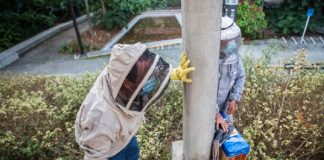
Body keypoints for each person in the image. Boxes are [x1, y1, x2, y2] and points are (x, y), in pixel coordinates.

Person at [74, 43, 194, 160]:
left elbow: (146, 75)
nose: (150, 80)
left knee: (133, 152)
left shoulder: (119, 69)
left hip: (125, 137)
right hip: (111, 151)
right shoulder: (101, 120)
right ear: (127, 83)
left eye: (149, 74)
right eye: (145, 77)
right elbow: (95, 157)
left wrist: (171, 74)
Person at [214, 16, 246, 141]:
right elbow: (203, 93)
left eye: (233, 40)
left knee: (228, 139)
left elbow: (240, 76)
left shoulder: (234, 56)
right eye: (227, 41)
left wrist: (234, 99)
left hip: (225, 109)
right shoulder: (209, 60)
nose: (231, 44)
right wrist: (215, 114)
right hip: (209, 112)